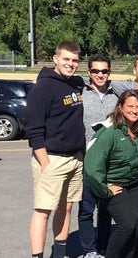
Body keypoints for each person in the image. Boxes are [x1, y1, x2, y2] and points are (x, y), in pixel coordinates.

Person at [24, 41, 86, 258]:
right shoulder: (43, 87)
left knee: (67, 208)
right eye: (66, 59)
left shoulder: (75, 84)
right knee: (42, 211)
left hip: (75, 159)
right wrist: (45, 163)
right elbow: (33, 129)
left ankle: (60, 253)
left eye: (75, 60)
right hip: (51, 158)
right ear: (55, 58)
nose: (70, 64)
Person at [84, 90, 138, 258]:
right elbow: (92, 166)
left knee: (135, 226)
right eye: (130, 106)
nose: (135, 110)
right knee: (126, 225)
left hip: (134, 185)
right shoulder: (109, 132)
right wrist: (104, 189)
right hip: (114, 185)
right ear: (120, 107)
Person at [80, 53, 117, 258]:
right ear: (89, 72)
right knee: (86, 209)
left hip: (110, 164)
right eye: (95, 71)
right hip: (87, 162)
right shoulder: (81, 93)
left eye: (104, 71)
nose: (100, 74)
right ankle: (89, 249)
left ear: (109, 72)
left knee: (106, 209)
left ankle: (103, 247)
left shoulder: (116, 95)